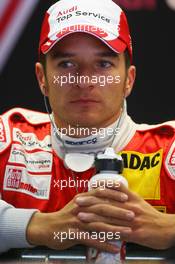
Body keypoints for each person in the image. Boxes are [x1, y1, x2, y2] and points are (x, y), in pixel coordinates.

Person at [0, 0, 175, 256]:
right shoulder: (10, 139)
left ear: (129, 79)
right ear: (42, 79)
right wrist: (34, 226)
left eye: (103, 64)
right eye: (67, 64)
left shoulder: (169, 152)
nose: (84, 81)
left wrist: (170, 228)